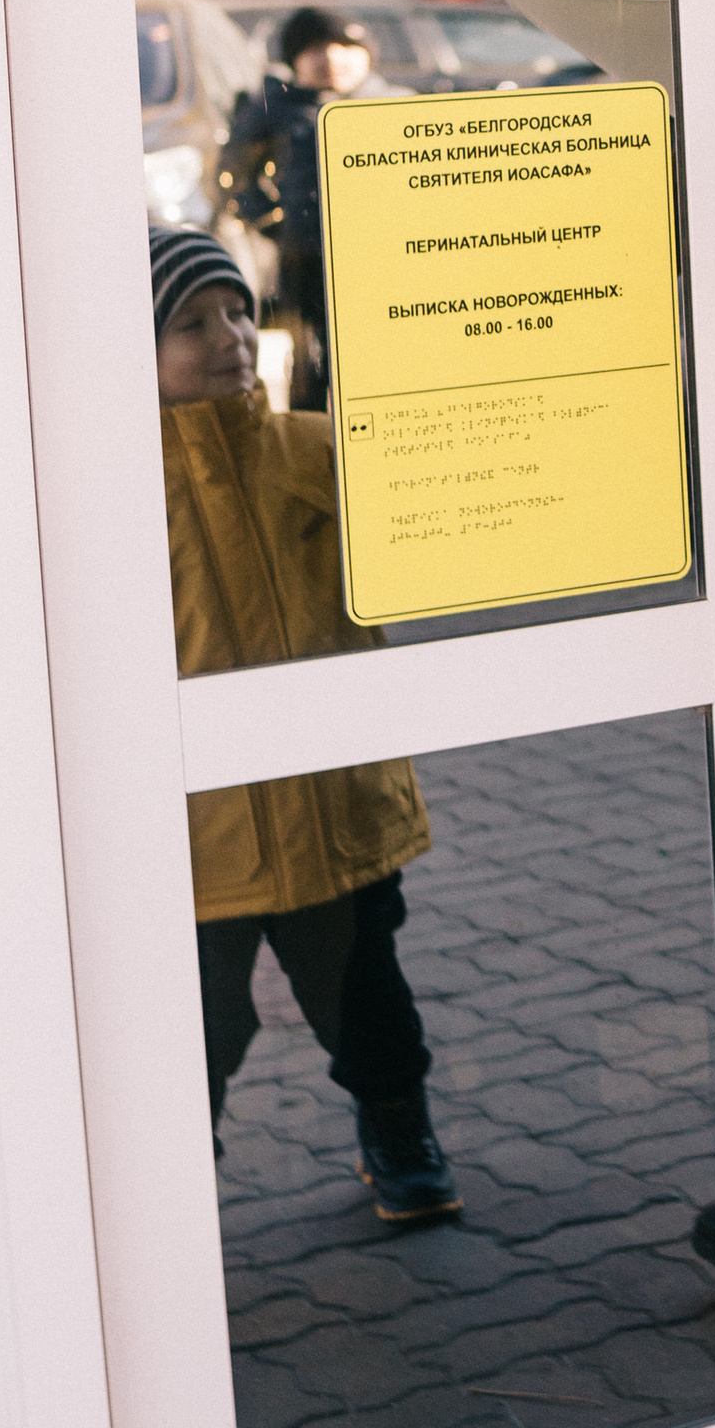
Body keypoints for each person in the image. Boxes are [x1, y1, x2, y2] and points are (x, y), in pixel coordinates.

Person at [151, 225, 458, 1223]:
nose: (230, 334)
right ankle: (169, 1190)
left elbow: (427, 535)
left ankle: (397, 1124)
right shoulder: (107, 497)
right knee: (193, 1029)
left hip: (334, 810)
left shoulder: (314, 449)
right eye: (191, 324)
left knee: (367, 1000)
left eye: (237, 309)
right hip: (201, 838)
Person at [222, 5, 375, 411]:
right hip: (305, 254)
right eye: (317, 48)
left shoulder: (391, 105)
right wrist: (271, 221)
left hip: (377, 256)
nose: (332, 58)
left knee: (374, 355)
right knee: (310, 360)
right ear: (295, 59)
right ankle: (310, 445)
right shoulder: (275, 108)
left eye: (346, 45)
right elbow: (234, 176)